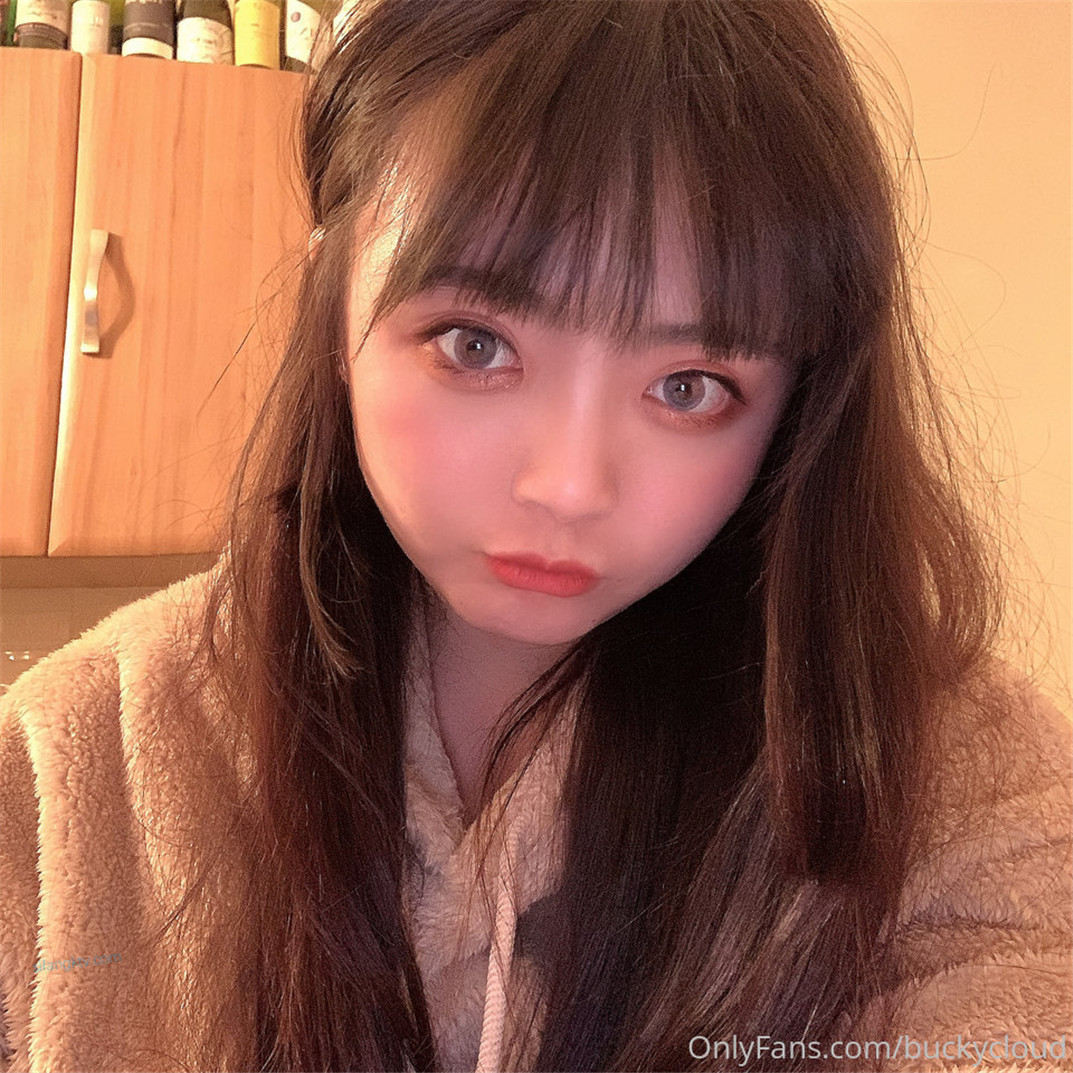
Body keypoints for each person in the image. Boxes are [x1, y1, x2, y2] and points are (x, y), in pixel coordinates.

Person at [1, 2, 1070, 1071]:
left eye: (688, 386)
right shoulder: (66, 764)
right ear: (333, 302)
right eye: (474, 344)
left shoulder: (951, 772)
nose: (566, 486)